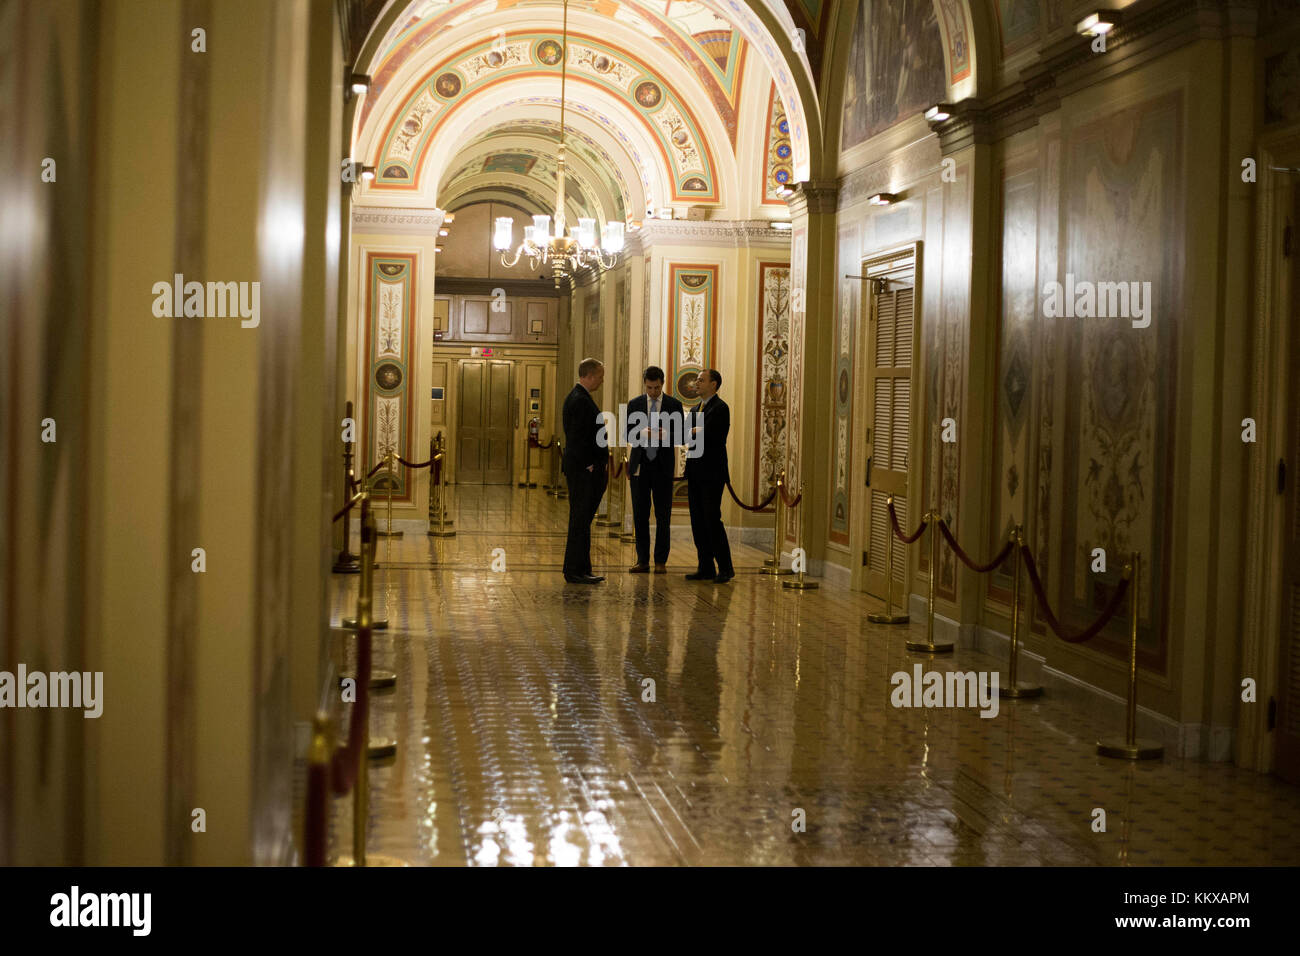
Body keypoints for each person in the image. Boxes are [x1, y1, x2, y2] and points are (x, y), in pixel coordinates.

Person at [624, 366, 684, 573]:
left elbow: (681, 437)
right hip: (640, 467)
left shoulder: (674, 405)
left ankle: (660, 561)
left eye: (657, 388)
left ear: (663, 383)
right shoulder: (635, 404)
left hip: (662, 468)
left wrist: (663, 434)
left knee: (663, 516)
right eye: (649, 388)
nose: (653, 392)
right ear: (645, 385)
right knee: (640, 516)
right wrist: (642, 431)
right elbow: (628, 435)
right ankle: (642, 560)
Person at [684, 368, 734, 583]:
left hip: (712, 473)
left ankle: (725, 567)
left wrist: (695, 430)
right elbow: (686, 433)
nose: (697, 383)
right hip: (695, 471)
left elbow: (711, 434)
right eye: (696, 380)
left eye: (701, 380)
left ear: (713, 384)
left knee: (712, 519)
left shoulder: (720, 408)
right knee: (697, 521)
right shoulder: (696, 408)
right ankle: (705, 566)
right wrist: (694, 430)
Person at [561, 358, 608, 584]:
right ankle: (574, 570)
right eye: (600, 376)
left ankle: (582, 568)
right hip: (584, 471)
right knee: (579, 521)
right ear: (589, 375)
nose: (601, 380)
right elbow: (579, 438)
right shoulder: (580, 400)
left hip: (583, 469)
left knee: (582, 521)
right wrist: (589, 464)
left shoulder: (579, 397)